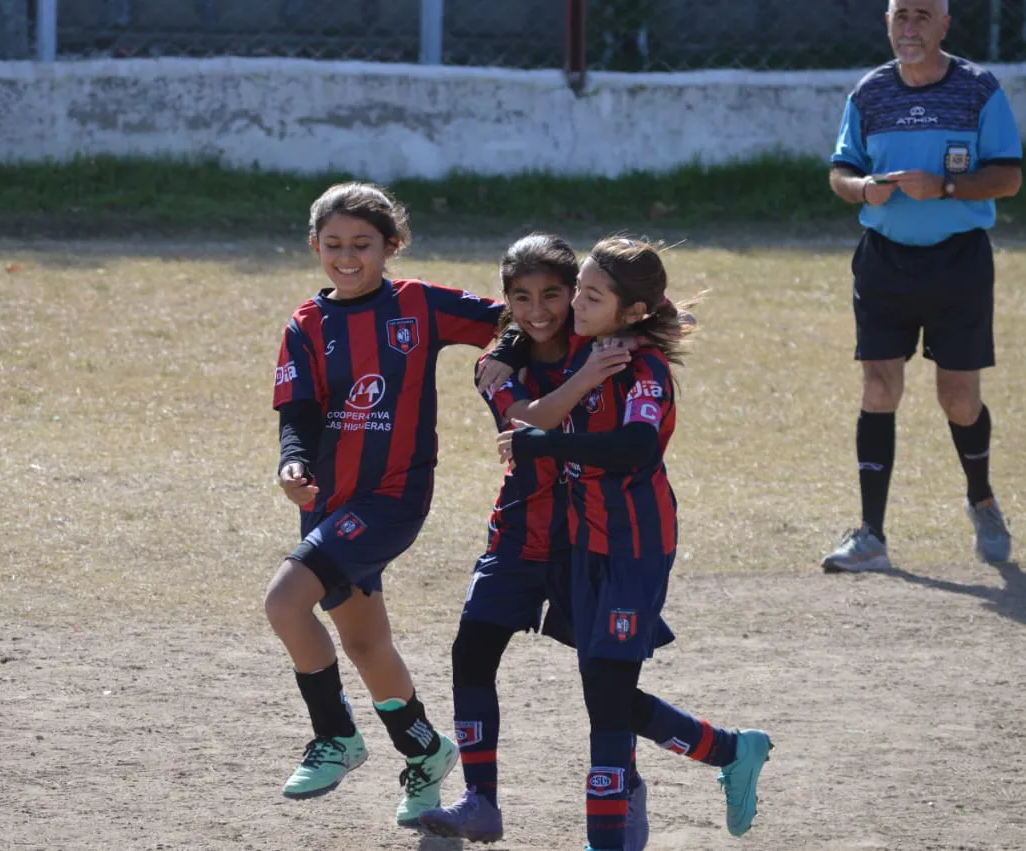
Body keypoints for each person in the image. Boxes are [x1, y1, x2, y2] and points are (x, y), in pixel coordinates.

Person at [499, 238, 772, 851]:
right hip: (582, 543)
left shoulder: (642, 368)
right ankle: (729, 750)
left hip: (634, 547)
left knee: (607, 702)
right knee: (605, 692)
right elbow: (523, 321)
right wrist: (505, 350)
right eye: (579, 289)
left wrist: (547, 443)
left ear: (631, 312)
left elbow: (637, 448)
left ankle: (609, 838)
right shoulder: (588, 342)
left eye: (591, 295)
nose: (573, 303)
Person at [266, 182, 506, 828]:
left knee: (284, 601)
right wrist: (294, 461)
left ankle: (335, 735)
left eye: (362, 245)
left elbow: (514, 319)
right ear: (315, 245)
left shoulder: (419, 305)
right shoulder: (306, 324)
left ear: (391, 246)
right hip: (328, 502)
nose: (347, 257)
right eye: (334, 244)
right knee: (366, 643)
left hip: (393, 497)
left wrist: (508, 361)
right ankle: (425, 750)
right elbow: (298, 411)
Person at [417, 234, 635, 843]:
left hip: (589, 538)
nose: (538, 310)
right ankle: (480, 800)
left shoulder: (604, 342)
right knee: (471, 653)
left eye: (552, 295)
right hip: (517, 532)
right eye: (521, 298)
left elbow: (646, 300)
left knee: (606, 681)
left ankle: (646, 779)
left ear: (575, 294)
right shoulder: (496, 366)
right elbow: (525, 424)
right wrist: (568, 367)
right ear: (507, 300)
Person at [823, 0, 1023, 573]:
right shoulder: (869, 92)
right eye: (900, 16)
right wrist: (863, 189)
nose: (909, 28)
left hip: (958, 262)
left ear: (944, 25)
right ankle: (871, 536)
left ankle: (982, 500)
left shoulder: (979, 89)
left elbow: (1008, 176)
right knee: (878, 388)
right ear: (887, 23)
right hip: (884, 262)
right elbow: (840, 171)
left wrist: (946, 187)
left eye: (921, 16)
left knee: (958, 398)